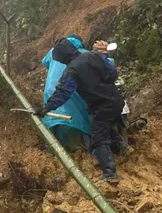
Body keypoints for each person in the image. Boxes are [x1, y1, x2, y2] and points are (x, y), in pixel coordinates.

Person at [36, 40, 125, 184]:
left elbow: (63, 93)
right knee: (106, 126)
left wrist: (46, 108)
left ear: (63, 57)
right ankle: (124, 147)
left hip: (101, 107)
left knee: (99, 139)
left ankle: (110, 174)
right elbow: (112, 72)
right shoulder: (94, 55)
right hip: (116, 100)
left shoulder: (72, 70)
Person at [41, 35, 93, 151]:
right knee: (80, 118)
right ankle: (82, 149)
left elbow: (44, 62)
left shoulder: (53, 51)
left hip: (52, 91)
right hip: (72, 91)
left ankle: (55, 149)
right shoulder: (83, 53)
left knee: (54, 120)